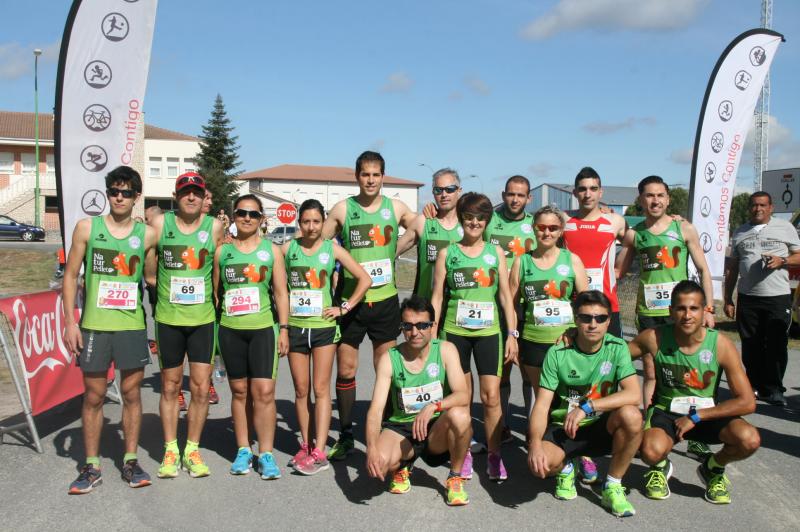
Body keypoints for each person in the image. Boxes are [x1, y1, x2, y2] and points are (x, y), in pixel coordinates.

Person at [62, 166, 158, 493]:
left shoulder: (146, 235)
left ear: (136, 197)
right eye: (114, 191)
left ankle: (130, 461)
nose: (119, 197)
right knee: (94, 395)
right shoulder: (88, 228)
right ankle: (90, 467)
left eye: (126, 192)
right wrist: (70, 322)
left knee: (132, 394)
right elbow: (71, 275)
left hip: (131, 326)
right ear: (108, 194)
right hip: (93, 327)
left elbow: (153, 276)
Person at [321, 151, 417, 460]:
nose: (371, 180)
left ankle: (387, 428)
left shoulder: (396, 207)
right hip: (351, 303)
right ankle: (346, 433)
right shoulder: (342, 209)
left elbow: (421, 228)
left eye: (376, 174)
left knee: (384, 370)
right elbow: (319, 246)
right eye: (365, 174)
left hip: (386, 301)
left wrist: (396, 249)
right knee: (346, 370)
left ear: (383, 176)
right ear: (357, 176)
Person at [630, 280, 760, 505]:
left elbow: (747, 402)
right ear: (671, 311)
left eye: (693, 308)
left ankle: (714, 468)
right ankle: (659, 467)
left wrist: (697, 416)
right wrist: (575, 337)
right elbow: (614, 356)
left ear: (704, 311)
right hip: (667, 412)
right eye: (680, 308)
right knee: (650, 451)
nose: (687, 315)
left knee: (749, 439)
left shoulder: (720, 344)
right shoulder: (654, 337)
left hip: (705, 414)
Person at [528, 291, 641, 517]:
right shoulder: (557, 352)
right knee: (540, 466)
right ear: (575, 320)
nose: (593, 324)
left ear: (609, 321)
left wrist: (588, 407)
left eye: (600, 318)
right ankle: (567, 467)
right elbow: (541, 406)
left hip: (600, 425)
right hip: (565, 427)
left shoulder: (617, 347)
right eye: (586, 318)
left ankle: (613, 485)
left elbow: (633, 394)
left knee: (632, 416)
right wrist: (534, 444)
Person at [430, 192, 519, 481]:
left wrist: (512, 334)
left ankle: (494, 455)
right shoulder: (448, 253)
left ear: (487, 220)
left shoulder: (496, 254)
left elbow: (506, 297)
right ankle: (463, 452)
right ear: (462, 218)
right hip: (455, 333)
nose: (474, 222)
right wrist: (433, 333)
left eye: (481, 217)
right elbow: (437, 298)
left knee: (491, 397)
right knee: (462, 399)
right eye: (469, 216)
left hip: (489, 334)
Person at [282, 199, 371, 474]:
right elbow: (277, 287)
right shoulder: (287, 249)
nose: (311, 227)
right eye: (306, 222)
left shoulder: (332, 249)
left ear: (324, 223)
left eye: (316, 222)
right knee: (300, 390)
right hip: (296, 327)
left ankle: (319, 451)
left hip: (323, 329)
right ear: (299, 223)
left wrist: (343, 307)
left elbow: (364, 279)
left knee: (321, 390)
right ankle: (306, 445)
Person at [147, 171, 224, 479]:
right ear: (176, 196)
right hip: (168, 319)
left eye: (196, 192)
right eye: (185, 192)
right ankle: (170, 449)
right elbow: (149, 257)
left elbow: (218, 264)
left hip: (203, 320)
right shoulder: (161, 224)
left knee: (201, 388)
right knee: (169, 386)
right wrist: (151, 279)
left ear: (203, 196)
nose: (190, 197)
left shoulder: (214, 226)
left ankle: (192, 449)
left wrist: (218, 298)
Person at [617, 176, 715, 408]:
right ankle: (651, 420)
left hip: (681, 311)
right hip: (648, 312)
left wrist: (709, 309)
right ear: (640, 199)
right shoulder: (635, 234)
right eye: (649, 195)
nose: (655, 200)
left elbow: (703, 270)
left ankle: (696, 427)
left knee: (688, 367)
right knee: (651, 371)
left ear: (668, 199)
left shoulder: (684, 228)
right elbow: (618, 270)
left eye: (660, 195)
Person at [365, 295, 472, 506]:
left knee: (461, 415)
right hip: (401, 428)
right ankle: (403, 465)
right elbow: (376, 410)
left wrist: (434, 406)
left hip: (435, 430)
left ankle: (455, 477)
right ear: (402, 327)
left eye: (422, 325)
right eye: (408, 326)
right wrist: (371, 448)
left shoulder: (446, 350)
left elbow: (463, 394)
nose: (415, 332)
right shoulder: (389, 358)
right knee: (380, 463)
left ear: (433, 326)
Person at [213, 194, 289, 479]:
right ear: (234, 215)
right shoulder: (223, 252)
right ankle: (243, 449)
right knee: (239, 392)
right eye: (242, 213)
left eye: (253, 214)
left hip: (263, 331)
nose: (247, 218)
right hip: (231, 330)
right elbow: (217, 294)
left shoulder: (271, 251)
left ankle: (266, 453)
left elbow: (281, 293)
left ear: (261, 219)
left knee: (264, 393)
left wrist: (284, 329)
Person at [724, 191, 800, 406]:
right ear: (749, 208)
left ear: (771, 207)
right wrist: (728, 298)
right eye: (754, 205)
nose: (758, 209)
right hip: (748, 297)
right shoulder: (740, 232)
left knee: (776, 344)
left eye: (763, 205)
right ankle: (754, 386)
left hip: (777, 297)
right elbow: (732, 268)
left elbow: (799, 255)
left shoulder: (785, 228)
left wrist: (782, 260)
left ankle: (774, 388)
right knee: (750, 345)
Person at [510, 205, 588, 405]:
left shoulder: (572, 260)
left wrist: (576, 332)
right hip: (533, 340)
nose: (547, 232)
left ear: (560, 231)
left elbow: (587, 304)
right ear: (533, 228)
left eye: (552, 228)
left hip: (565, 341)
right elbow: (510, 305)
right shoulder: (522, 262)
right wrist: (512, 337)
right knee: (541, 398)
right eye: (541, 227)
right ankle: (538, 435)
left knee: (564, 398)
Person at [563, 167, 628, 338]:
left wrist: (620, 269)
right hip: (571, 304)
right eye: (582, 189)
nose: (587, 194)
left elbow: (635, 242)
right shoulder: (563, 219)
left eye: (593, 189)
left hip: (607, 303)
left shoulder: (615, 221)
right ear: (575, 193)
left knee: (611, 358)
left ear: (601, 192)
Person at [395, 168, 463, 300]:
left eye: (450, 189)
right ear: (433, 193)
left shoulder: (470, 224)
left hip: (456, 307)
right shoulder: (423, 222)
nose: (444, 194)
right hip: (426, 306)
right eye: (438, 190)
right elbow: (390, 253)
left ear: (459, 191)